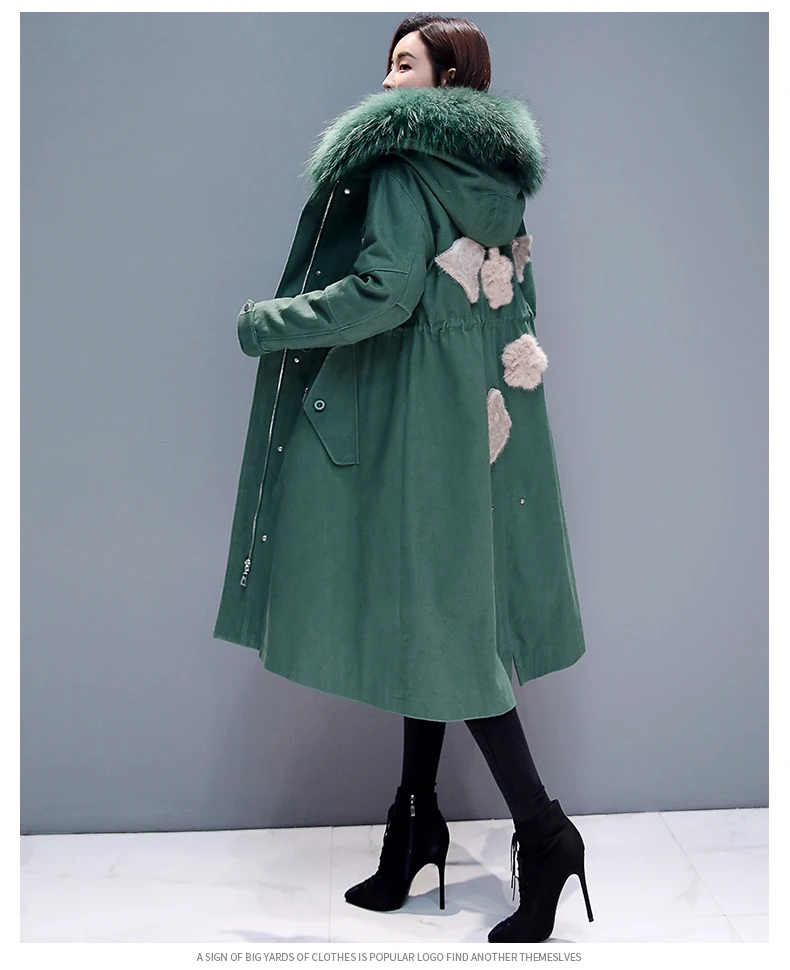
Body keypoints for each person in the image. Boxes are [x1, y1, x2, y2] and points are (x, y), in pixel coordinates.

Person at [213, 14, 593, 943]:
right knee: (442, 620)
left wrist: (266, 323)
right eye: (388, 64)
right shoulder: (498, 178)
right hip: (485, 423)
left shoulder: (401, 167)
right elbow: (519, 304)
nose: (387, 83)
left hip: (419, 424)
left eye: (405, 64)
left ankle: (545, 832)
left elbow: (383, 294)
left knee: (451, 633)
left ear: (448, 79)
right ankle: (415, 820)